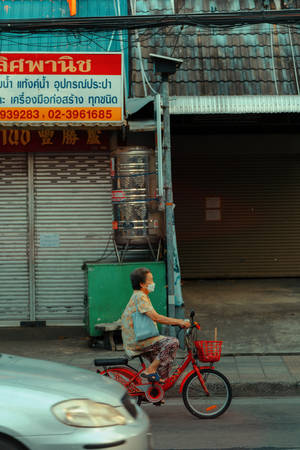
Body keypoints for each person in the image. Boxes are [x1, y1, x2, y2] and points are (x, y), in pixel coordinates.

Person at [121, 267, 190, 383]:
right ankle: (150, 370)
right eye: (151, 280)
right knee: (172, 342)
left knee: (165, 362)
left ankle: (156, 393)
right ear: (142, 284)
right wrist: (179, 321)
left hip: (142, 339)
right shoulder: (140, 296)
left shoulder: (141, 296)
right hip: (138, 341)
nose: (153, 283)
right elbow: (156, 317)